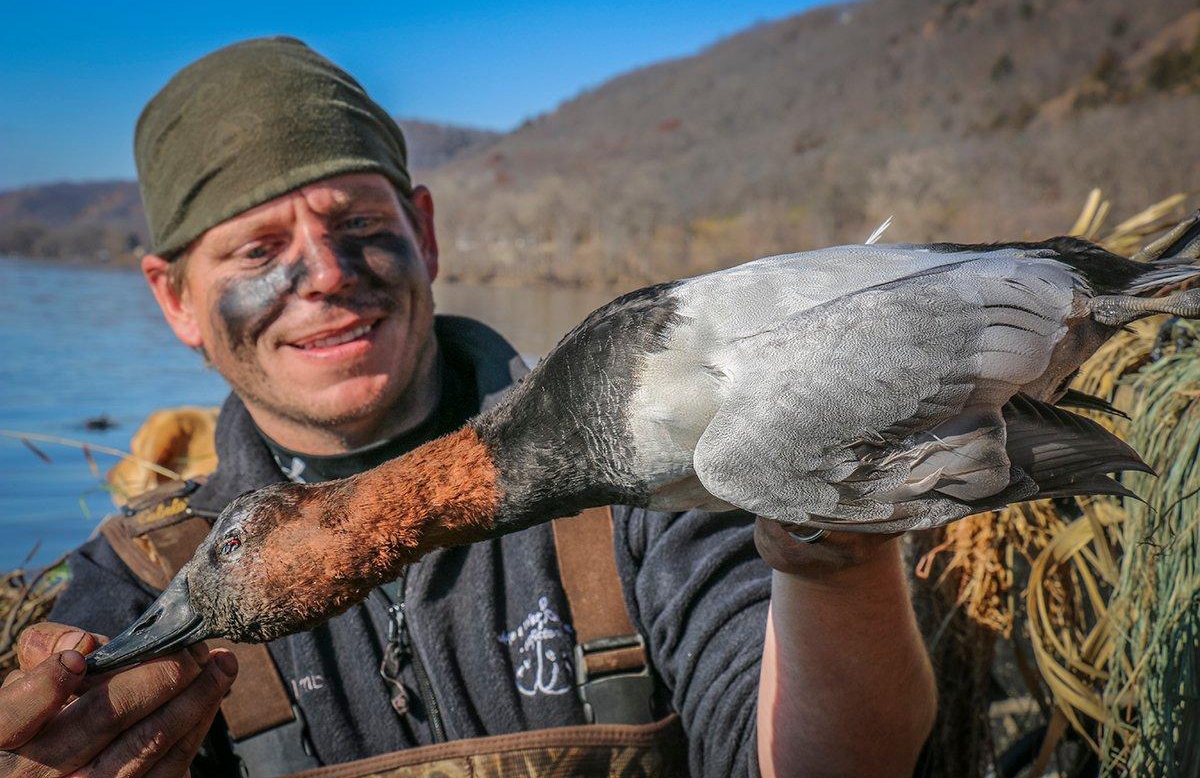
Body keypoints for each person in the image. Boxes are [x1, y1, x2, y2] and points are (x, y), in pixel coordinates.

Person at [0, 38, 936, 778]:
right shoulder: (131, 590)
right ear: (174, 299)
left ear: (427, 232)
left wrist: (834, 547)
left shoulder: (647, 481)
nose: (326, 274)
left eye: (359, 223)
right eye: (257, 251)